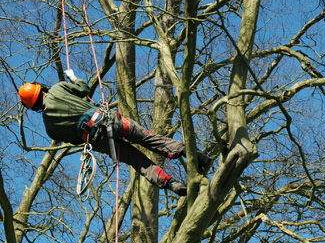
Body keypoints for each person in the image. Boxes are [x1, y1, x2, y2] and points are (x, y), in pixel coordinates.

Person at [18, 69, 212, 196]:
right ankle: (197, 156)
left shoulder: (49, 127)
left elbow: (75, 140)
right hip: (111, 121)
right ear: (41, 88)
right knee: (149, 139)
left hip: (99, 141)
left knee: (139, 162)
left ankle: (171, 184)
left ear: (33, 107)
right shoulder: (58, 89)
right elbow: (84, 88)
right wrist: (74, 77)